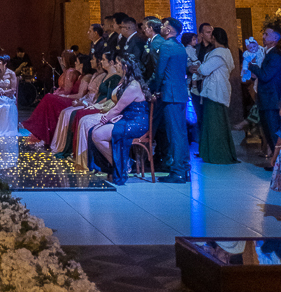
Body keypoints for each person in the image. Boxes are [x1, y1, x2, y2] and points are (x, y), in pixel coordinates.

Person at [89, 55, 150, 185]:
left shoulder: (133, 86)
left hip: (136, 123)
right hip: (127, 119)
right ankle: (121, 164)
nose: (115, 65)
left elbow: (117, 109)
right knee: (93, 132)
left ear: (125, 66)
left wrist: (103, 120)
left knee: (97, 134)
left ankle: (122, 164)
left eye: (117, 63)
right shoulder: (126, 82)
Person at [149, 16, 191, 183]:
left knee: (174, 134)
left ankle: (177, 171)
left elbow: (160, 72)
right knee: (181, 133)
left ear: (168, 30)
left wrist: (155, 89)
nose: (161, 27)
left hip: (170, 94)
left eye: (163, 25)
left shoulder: (166, 46)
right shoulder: (180, 47)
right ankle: (184, 168)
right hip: (180, 93)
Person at [49, 53, 112, 154]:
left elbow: (97, 96)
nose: (91, 61)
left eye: (93, 59)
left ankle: (76, 151)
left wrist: (84, 102)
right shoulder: (95, 75)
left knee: (73, 114)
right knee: (65, 112)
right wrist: (81, 101)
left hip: (93, 102)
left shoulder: (100, 76)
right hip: (88, 100)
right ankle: (63, 146)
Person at [22, 52, 89, 146]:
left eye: (77, 62)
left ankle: (35, 125)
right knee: (48, 99)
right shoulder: (78, 74)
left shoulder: (74, 73)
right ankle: (41, 131)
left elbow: (71, 92)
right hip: (69, 98)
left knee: (48, 98)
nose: (75, 63)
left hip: (71, 100)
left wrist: (60, 95)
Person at [194, 27, 238, 165]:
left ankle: (217, 154)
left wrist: (197, 68)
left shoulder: (219, 53)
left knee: (215, 124)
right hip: (220, 89)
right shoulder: (226, 52)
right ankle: (212, 153)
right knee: (218, 122)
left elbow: (204, 69)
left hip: (215, 91)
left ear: (214, 38)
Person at [249, 21, 281, 161]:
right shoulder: (267, 53)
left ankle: (279, 163)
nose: (263, 36)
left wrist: (251, 65)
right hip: (266, 99)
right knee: (268, 132)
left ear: (276, 38)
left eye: (266, 34)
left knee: (274, 132)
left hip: (272, 100)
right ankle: (275, 163)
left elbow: (265, 75)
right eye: (264, 34)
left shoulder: (275, 55)